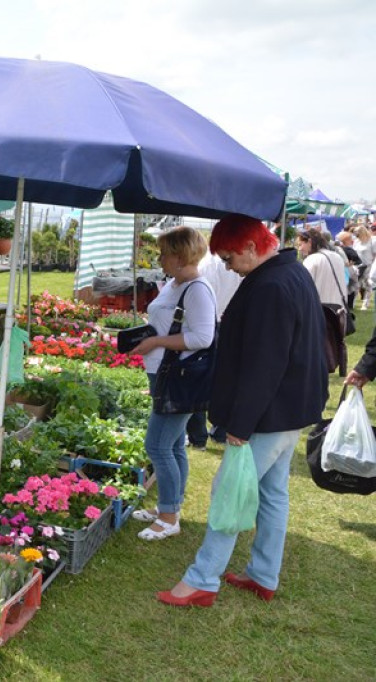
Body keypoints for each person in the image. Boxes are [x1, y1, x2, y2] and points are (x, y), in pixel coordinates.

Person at [157, 214, 327, 607]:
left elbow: (265, 364)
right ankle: (263, 573)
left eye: (230, 258)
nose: (228, 267)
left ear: (252, 247)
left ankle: (202, 580)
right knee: (271, 493)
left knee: (228, 491)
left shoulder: (271, 284)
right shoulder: (290, 271)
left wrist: (241, 424)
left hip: (269, 414)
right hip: (290, 410)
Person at [129, 227, 217, 542]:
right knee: (175, 444)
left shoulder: (196, 289)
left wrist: (156, 341)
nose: (160, 258)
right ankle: (171, 506)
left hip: (179, 378)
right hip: (165, 373)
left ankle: (168, 517)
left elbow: (202, 338)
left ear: (179, 256)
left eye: (164, 252)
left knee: (157, 445)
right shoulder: (175, 284)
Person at [186, 251, 243, 448]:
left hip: (212, 322)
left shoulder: (207, 265)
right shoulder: (238, 261)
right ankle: (219, 429)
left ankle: (199, 435)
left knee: (200, 378)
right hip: (228, 320)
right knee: (225, 378)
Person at [297, 228, 349, 307]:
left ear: (310, 242)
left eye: (300, 244)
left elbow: (304, 288)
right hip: (339, 310)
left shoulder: (311, 260)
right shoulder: (337, 257)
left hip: (319, 310)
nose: (299, 249)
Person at [350, 224, 374, 309]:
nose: (355, 235)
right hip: (358, 266)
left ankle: (365, 303)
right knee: (356, 285)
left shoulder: (372, 241)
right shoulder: (356, 241)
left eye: (357, 233)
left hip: (368, 266)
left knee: (367, 285)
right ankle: (351, 304)